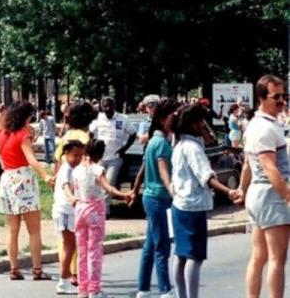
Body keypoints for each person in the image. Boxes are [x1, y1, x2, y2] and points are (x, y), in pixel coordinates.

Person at [170, 103, 241, 298]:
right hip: (193, 206)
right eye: (201, 121)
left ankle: (181, 295)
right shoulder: (193, 148)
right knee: (194, 256)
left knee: (181, 254)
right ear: (193, 124)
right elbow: (206, 177)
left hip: (179, 204)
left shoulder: (179, 145)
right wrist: (229, 192)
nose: (204, 125)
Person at [0, 100, 54, 280]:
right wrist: (45, 176)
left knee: (12, 230)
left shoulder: (3, 134)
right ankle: (37, 270)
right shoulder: (23, 134)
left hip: (7, 179)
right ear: (25, 117)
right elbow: (31, 159)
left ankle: (14, 269)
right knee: (34, 230)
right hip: (23, 179)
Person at [238, 75, 290, 298]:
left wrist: (242, 189)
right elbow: (270, 167)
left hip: (257, 194)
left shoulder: (257, 125)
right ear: (261, 98)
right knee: (277, 259)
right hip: (271, 195)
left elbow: (248, 164)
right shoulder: (265, 128)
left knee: (259, 256)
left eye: (284, 95)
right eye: (276, 96)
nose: (282, 101)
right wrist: (287, 195)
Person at [69, 139, 133, 298]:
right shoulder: (98, 169)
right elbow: (108, 188)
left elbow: (72, 190)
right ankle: (94, 289)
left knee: (82, 251)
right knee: (94, 252)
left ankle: (82, 289)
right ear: (100, 154)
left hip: (80, 209)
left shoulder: (76, 170)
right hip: (95, 210)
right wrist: (123, 195)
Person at [134, 98, 179, 298]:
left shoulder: (154, 140)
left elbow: (142, 171)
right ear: (162, 119)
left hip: (151, 197)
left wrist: (135, 190)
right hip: (159, 199)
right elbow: (163, 172)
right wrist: (174, 193)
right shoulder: (161, 143)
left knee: (150, 245)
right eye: (173, 115)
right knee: (161, 247)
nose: (176, 118)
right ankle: (165, 290)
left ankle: (143, 288)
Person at [89, 96, 137, 211]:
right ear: (102, 107)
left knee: (108, 183)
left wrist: (124, 149)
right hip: (99, 158)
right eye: (105, 106)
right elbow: (90, 133)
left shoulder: (123, 119)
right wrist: (92, 148)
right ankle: (96, 207)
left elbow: (133, 134)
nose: (108, 108)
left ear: (114, 106)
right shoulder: (98, 119)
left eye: (110, 106)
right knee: (97, 183)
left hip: (115, 159)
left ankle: (105, 211)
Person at [53, 139, 85, 295]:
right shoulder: (66, 169)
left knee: (71, 246)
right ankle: (63, 281)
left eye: (81, 155)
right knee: (69, 246)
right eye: (75, 155)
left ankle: (65, 280)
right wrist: (71, 197)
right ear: (66, 154)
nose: (78, 159)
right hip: (64, 211)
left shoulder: (76, 169)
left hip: (71, 212)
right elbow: (65, 186)